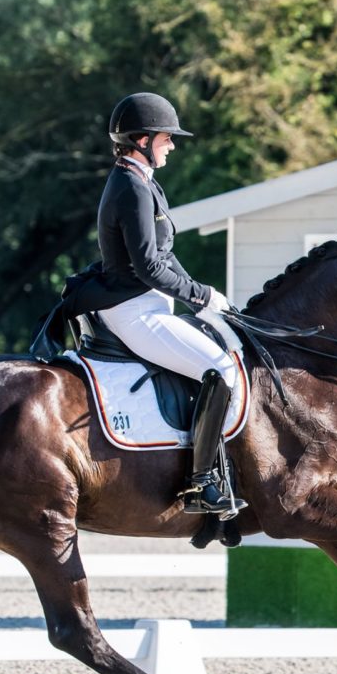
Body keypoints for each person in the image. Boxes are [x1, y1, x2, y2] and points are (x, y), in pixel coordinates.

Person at [69, 92, 244, 517]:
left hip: (150, 301)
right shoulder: (130, 187)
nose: (172, 145)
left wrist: (200, 294)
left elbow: (165, 255)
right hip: (134, 307)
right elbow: (148, 267)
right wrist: (199, 296)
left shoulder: (145, 181)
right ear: (143, 139)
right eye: (167, 138)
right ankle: (201, 482)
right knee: (219, 370)